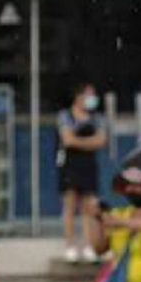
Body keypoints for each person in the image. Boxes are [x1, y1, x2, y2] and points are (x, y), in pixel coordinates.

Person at [57, 83, 106, 264]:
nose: (91, 99)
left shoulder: (96, 117)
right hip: (69, 164)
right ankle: (70, 246)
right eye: (88, 95)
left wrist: (78, 141)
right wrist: (87, 142)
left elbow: (101, 141)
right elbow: (67, 140)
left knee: (88, 207)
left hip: (88, 165)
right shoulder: (65, 115)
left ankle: (88, 246)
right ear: (78, 97)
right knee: (70, 205)